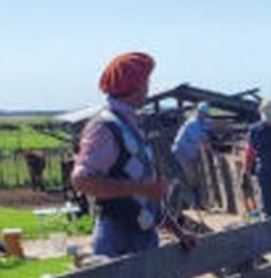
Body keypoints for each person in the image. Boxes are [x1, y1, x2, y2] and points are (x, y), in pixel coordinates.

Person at [72, 51, 196, 258]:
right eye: (146, 82)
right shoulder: (104, 127)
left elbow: (145, 196)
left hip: (142, 235)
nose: (148, 88)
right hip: (118, 238)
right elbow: (82, 181)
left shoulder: (128, 124)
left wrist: (178, 232)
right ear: (137, 86)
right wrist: (142, 188)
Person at [172, 102, 212, 209]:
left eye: (206, 115)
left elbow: (210, 126)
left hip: (188, 152)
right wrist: (210, 149)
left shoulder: (201, 122)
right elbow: (199, 141)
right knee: (191, 176)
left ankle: (197, 203)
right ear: (199, 113)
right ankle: (195, 204)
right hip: (182, 151)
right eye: (203, 114)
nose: (205, 116)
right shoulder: (193, 123)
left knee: (193, 176)